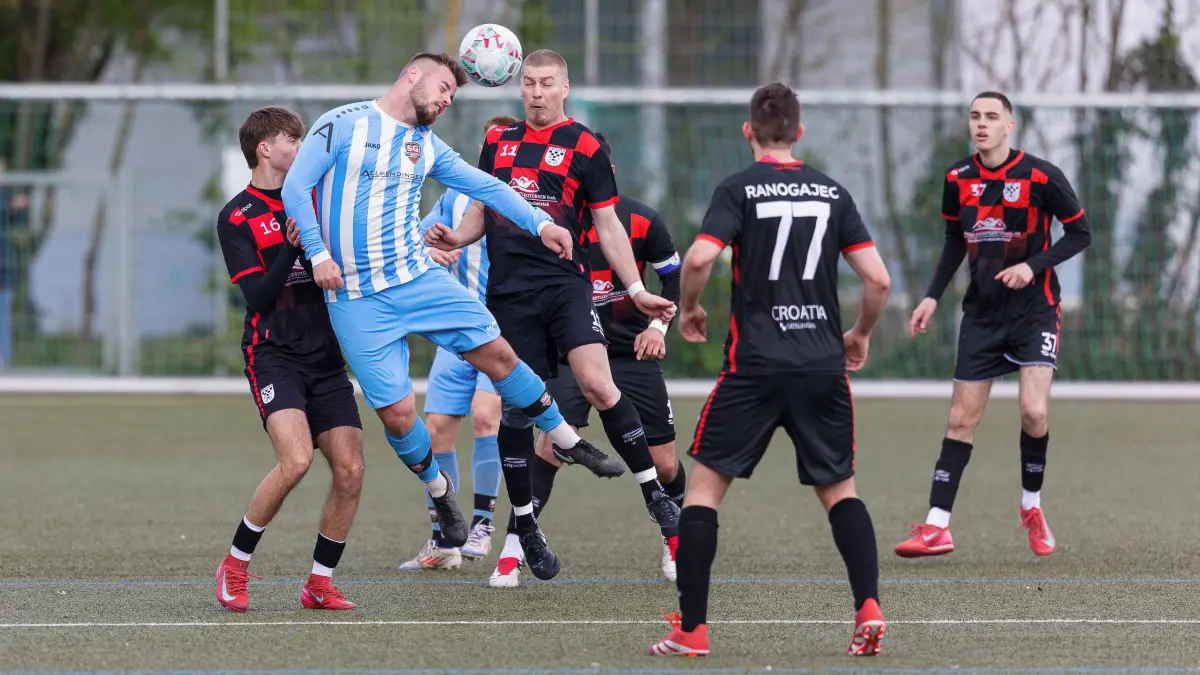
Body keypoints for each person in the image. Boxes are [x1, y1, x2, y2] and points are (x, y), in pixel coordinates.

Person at [281, 52, 608, 582]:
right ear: (412, 73)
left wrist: (541, 223)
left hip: (418, 280)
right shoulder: (343, 124)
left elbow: (489, 187)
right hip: (357, 299)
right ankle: (440, 493)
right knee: (398, 417)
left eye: (452, 96)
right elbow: (297, 188)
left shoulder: (425, 146)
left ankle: (567, 438)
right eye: (441, 88)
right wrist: (318, 253)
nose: (444, 99)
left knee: (499, 353)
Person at [649, 83, 892, 658]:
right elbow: (878, 279)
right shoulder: (832, 192)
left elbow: (702, 257)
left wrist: (688, 309)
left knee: (703, 493)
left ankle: (693, 629)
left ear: (748, 131)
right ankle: (868, 606)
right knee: (840, 491)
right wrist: (858, 334)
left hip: (755, 365)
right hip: (821, 366)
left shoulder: (738, 188)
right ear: (799, 133)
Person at [424, 50, 681, 588]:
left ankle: (655, 495)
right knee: (519, 409)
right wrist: (456, 237)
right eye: (529, 83)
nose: (537, 92)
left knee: (597, 381)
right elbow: (480, 209)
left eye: (547, 83)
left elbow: (608, 226)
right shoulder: (497, 142)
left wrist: (636, 291)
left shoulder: (587, 144)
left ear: (564, 87)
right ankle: (525, 528)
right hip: (509, 292)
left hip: (564, 285)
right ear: (519, 88)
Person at [894, 91, 1090, 559]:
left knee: (1033, 413)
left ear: (1010, 126)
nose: (981, 124)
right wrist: (930, 296)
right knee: (961, 420)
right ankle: (937, 526)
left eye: (991, 117)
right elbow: (953, 242)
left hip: (1035, 311)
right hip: (981, 315)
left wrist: (1034, 265)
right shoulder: (957, 178)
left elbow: (1081, 232)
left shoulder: (1041, 175)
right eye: (975, 116)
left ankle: (1031, 507)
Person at [492, 131, 685, 588]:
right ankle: (516, 548)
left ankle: (675, 538)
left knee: (665, 462)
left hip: (631, 352)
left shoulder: (640, 221)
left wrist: (658, 328)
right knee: (550, 445)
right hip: (571, 352)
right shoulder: (545, 222)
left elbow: (673, 278)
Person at [214, 106, 364, 613]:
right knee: (296, 460)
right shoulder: (236, 215)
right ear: (265, 148)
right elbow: (257, 296)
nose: (300, 148)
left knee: (350, 470)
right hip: (273, 354)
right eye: (292, 140)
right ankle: (235, 564)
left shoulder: (316, 201)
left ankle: (319, 583)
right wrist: (293, 251)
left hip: (326, 357)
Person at [399, 113, 520, 571]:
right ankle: (444, 539)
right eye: (488, 144)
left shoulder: (513, 200)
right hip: (455, 333)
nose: (494, 153)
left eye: (502, 145)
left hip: (501, 330)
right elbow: (415, 238)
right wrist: (432, 245)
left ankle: (483, 524)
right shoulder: (454, 197)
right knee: (436, 432)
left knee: (486, 417)